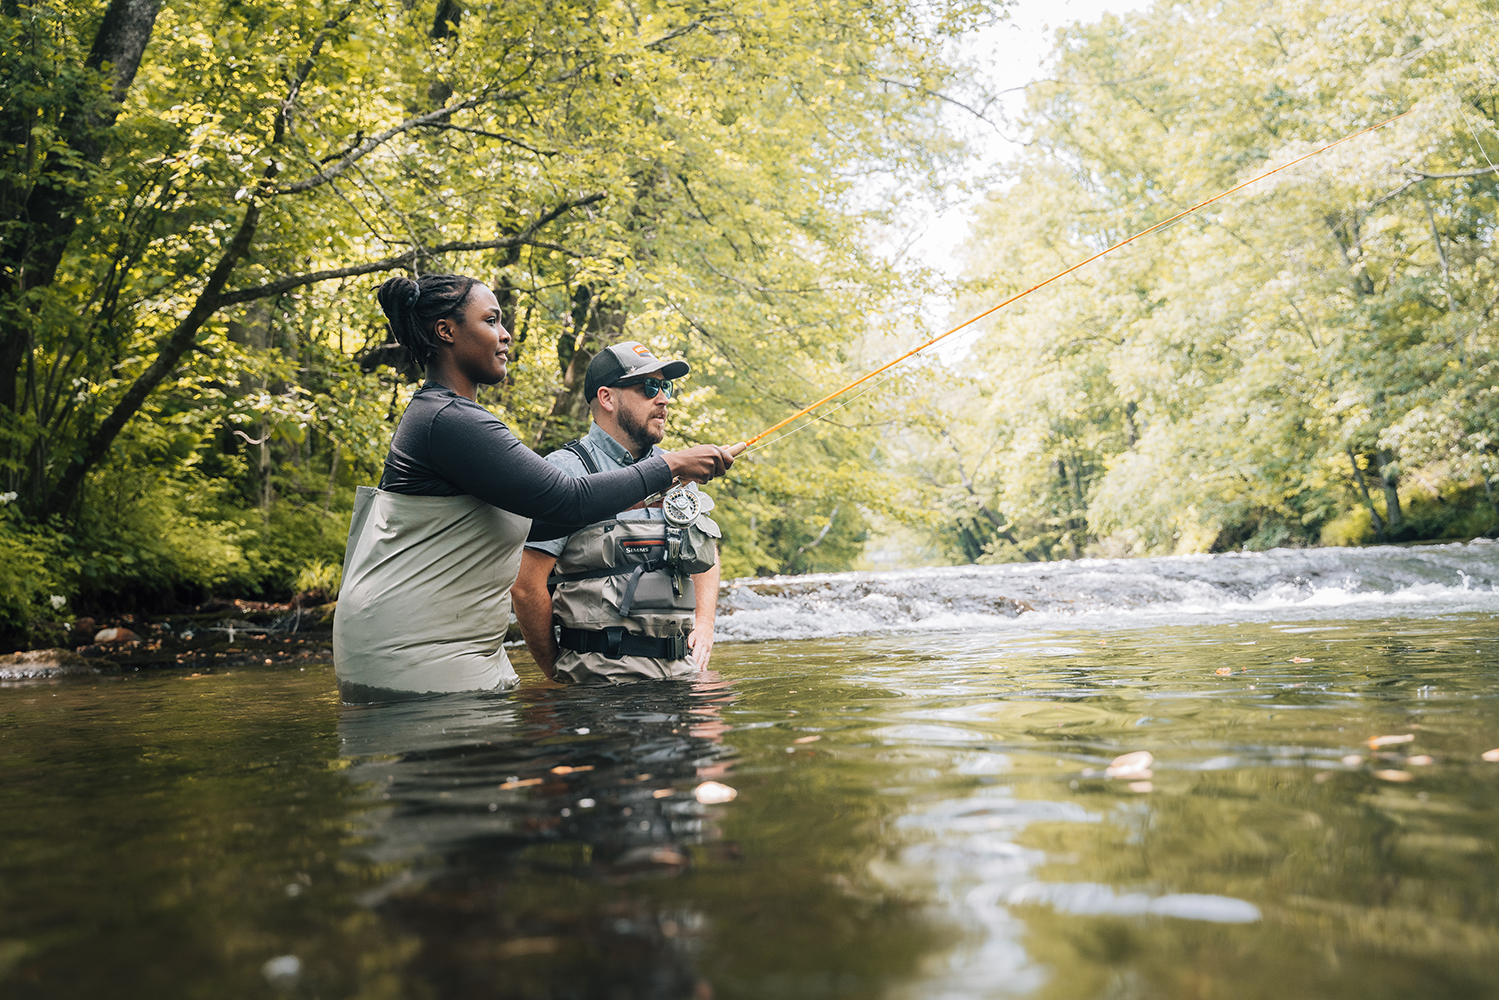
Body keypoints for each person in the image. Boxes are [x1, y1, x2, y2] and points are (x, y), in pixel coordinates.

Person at [333, 275, 734, 702]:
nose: (505, 334)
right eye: (491, 320)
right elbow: (566, 499)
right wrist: (670, 465)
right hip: (410, 650)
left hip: (434, 643)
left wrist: (658, 486)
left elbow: (552, 514)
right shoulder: (448, 419)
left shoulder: (452, 418)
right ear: (446, 331)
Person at [512, 342, 725, 683]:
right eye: (649, 388)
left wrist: (705, 623)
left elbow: (706, 553)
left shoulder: (680, 471)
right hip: (598, 682)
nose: (664, 399)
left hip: (682, 674)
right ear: (608, 398)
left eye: (666, 387)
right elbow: (525, 586)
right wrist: (555, 673)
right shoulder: (563, 472)